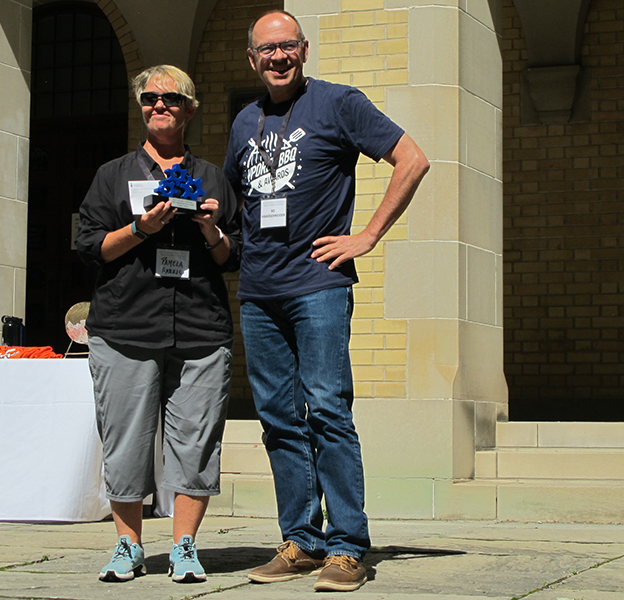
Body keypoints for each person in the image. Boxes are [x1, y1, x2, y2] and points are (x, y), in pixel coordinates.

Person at [223, 10, 430, 593]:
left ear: (305, 50)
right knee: (279, 420)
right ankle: (302, 540)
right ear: (252, 59)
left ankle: (346, 546)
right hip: (259, 292)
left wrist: (366, 236)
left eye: (288, 46)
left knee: (328, 410)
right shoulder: (244, 121)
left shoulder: (340, 104)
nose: (278, 57)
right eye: (267, 50)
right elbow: (240, 206)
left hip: (318, 285)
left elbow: (413, 159)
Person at [76, 64, 242, 584]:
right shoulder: (112, 175)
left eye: (170, 99)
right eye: (149, 99)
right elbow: (89, 248)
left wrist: (211, 228)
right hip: (125, 327)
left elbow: (231, 257)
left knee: (196, 441)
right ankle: (128, 546)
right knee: (125, 441)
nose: (159, 106)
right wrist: (140, 229)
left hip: (199, 329)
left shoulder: (214, 177)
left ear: (190, 109)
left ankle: (185, 547)